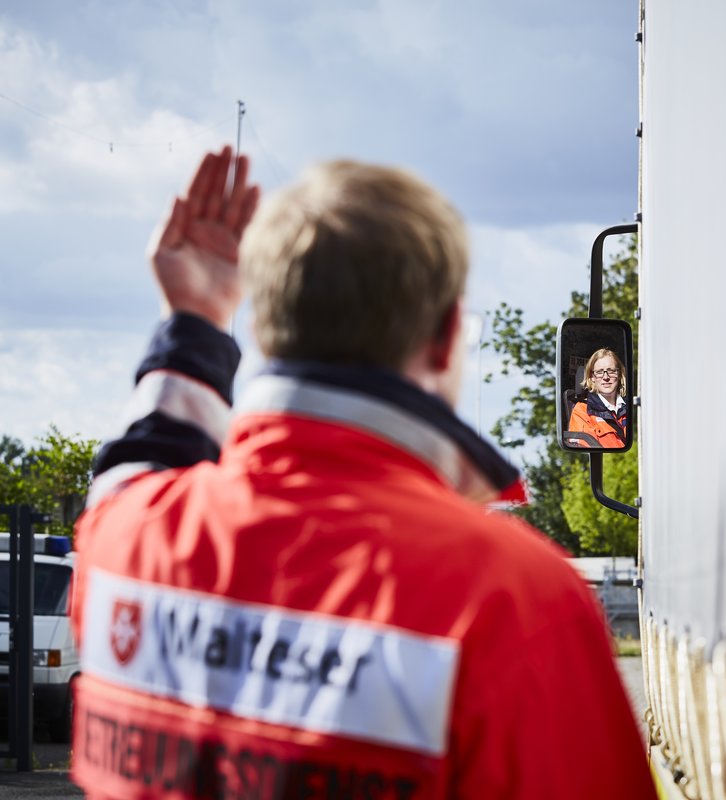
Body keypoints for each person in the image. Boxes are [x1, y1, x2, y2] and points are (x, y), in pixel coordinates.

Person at [69, 147, 655, 799]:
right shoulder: (514, 599)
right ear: (444, 336)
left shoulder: (124, 544)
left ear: (265, 328)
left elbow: (136, 466)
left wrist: (194, 321)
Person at [566, 348, 629, 449]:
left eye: (611, 371)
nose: (606, 377)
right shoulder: (582, 411)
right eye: (599, 372)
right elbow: (585, 449)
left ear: (620, 374)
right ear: (592, 377)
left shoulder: (633, 406)